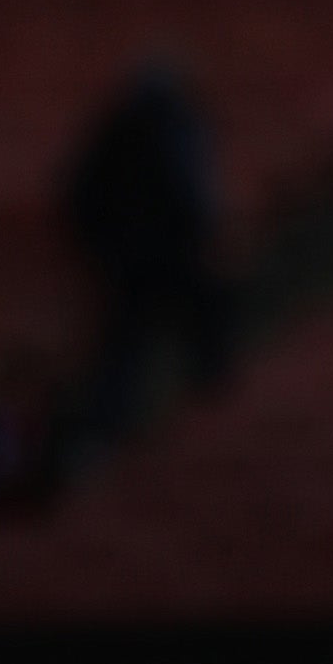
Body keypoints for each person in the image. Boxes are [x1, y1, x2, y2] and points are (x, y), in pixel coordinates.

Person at [58, 57, 235, 450]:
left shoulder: (159, 128)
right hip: (146, 256)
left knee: (136, 340)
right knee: (131, 343)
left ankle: (123, 418)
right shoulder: (150, 131)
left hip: (152, 255)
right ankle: (114, 423)